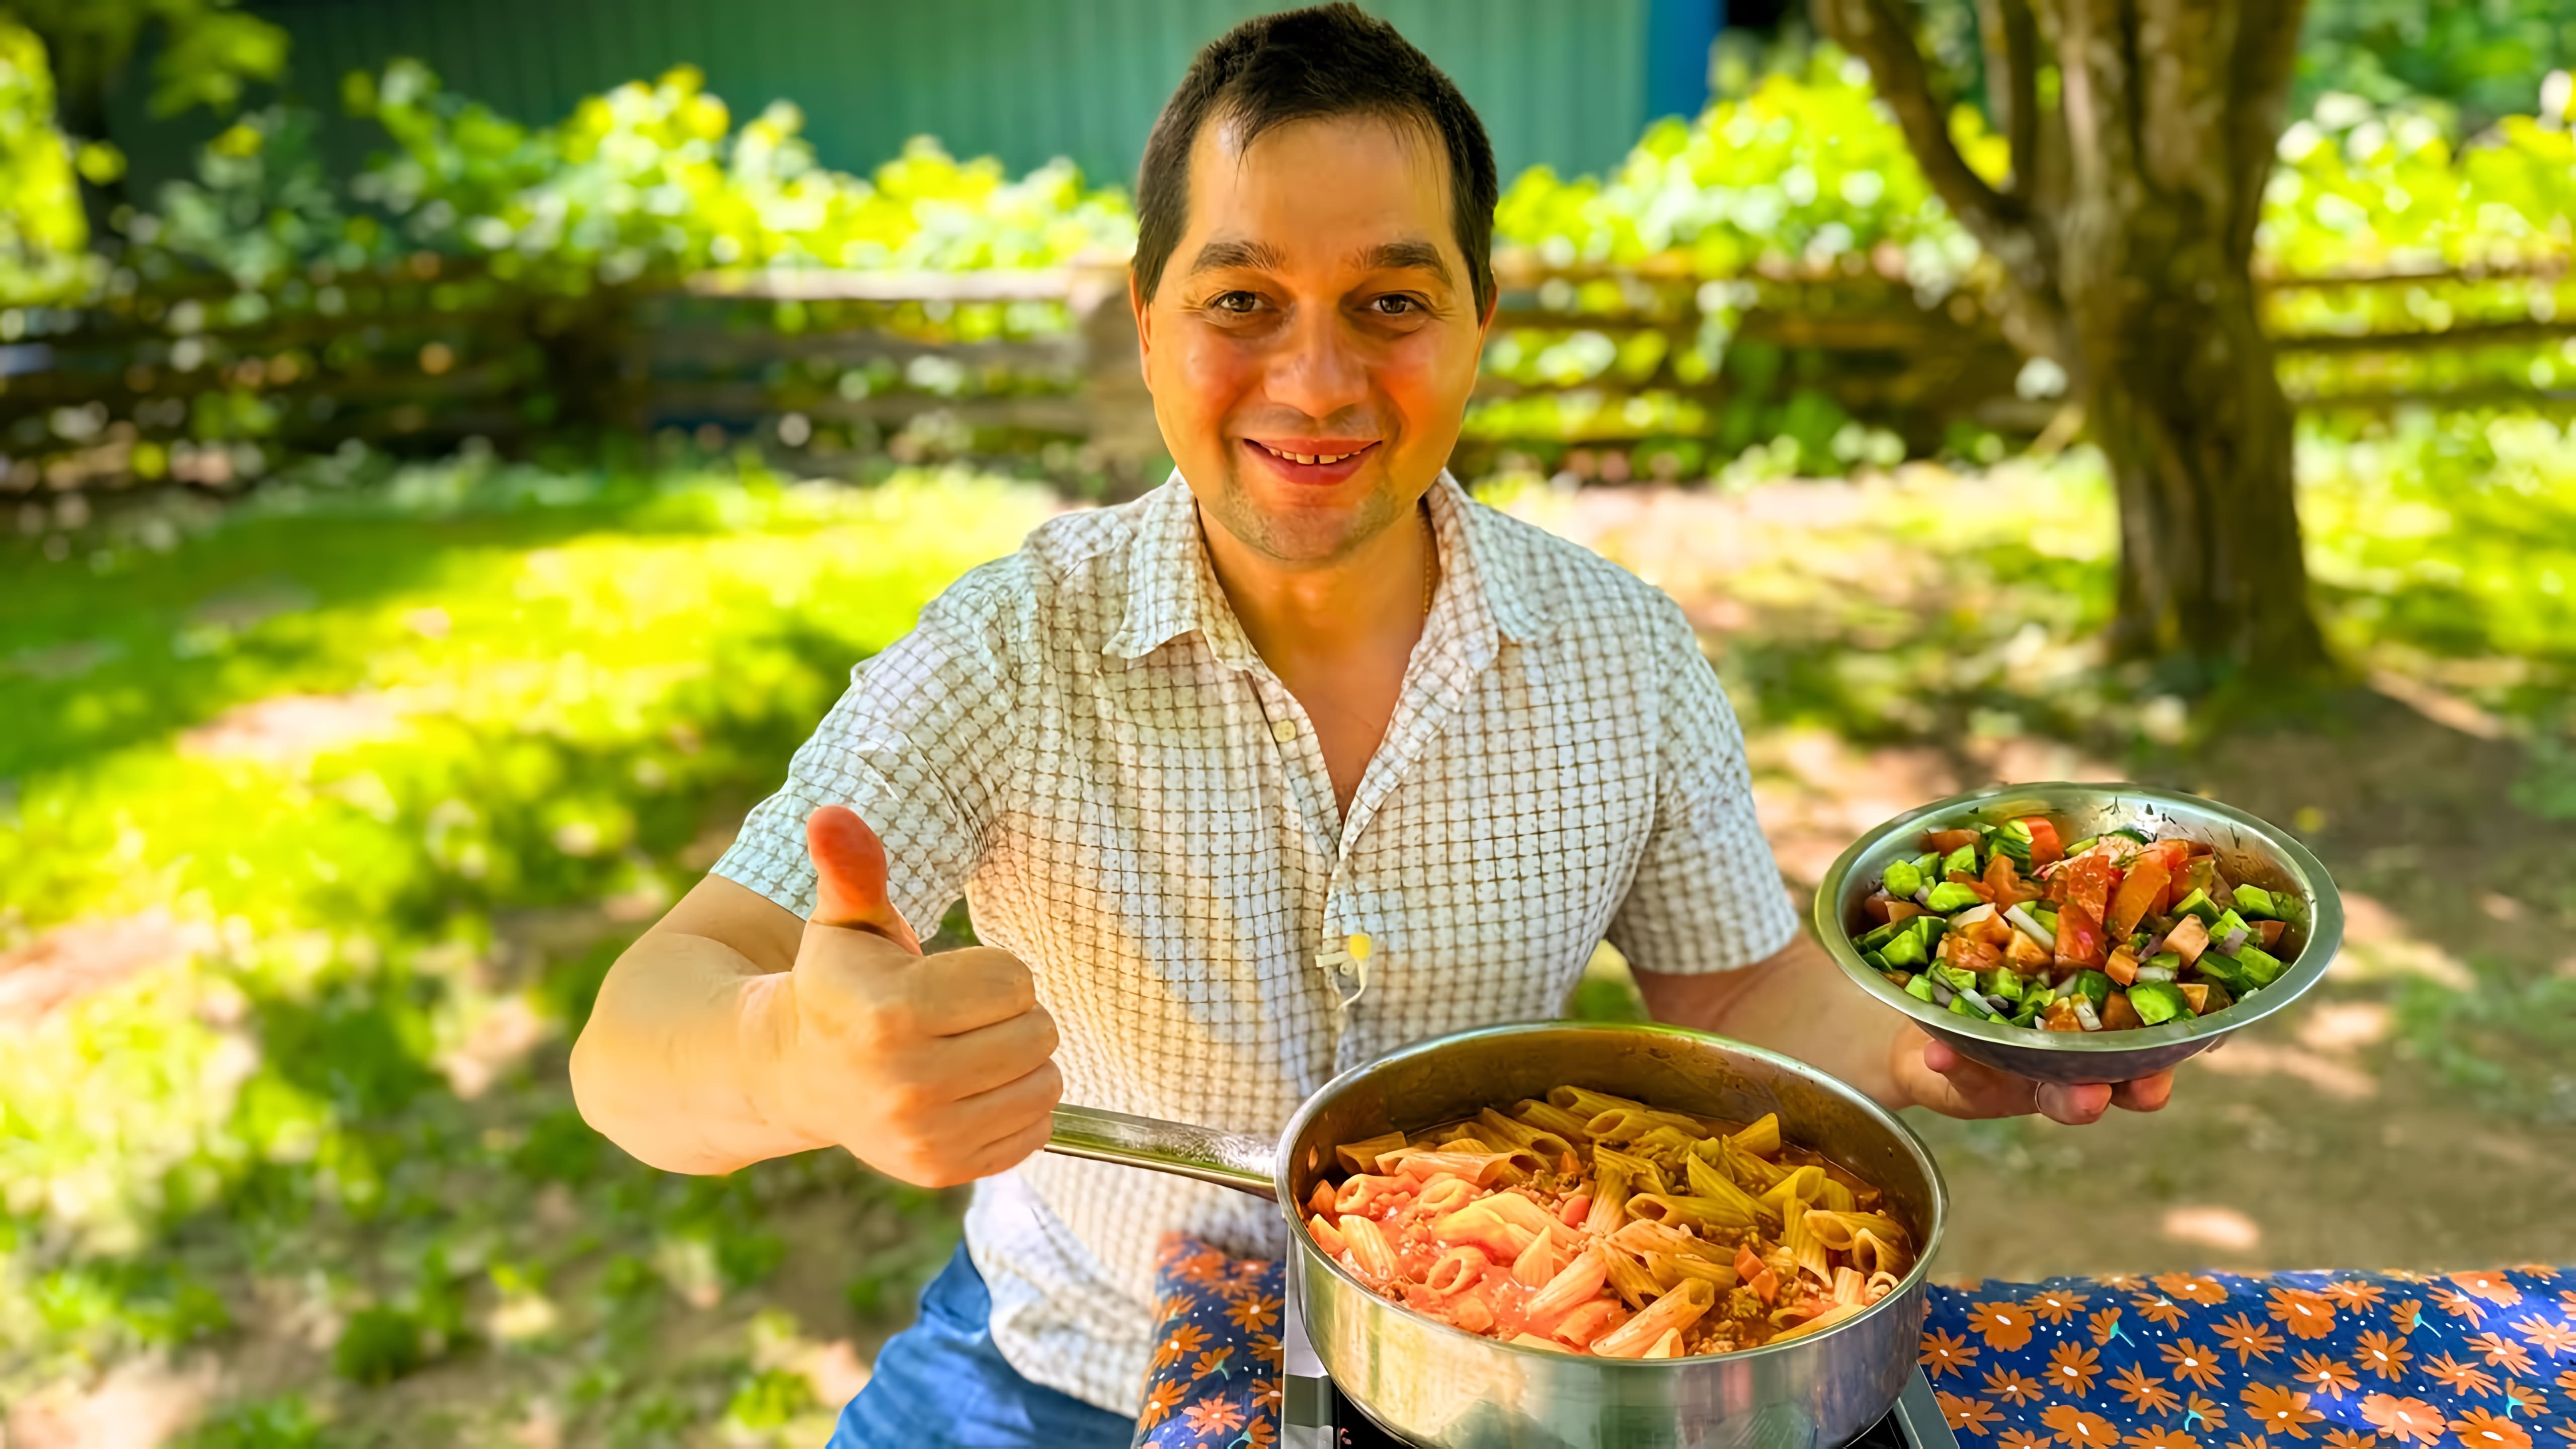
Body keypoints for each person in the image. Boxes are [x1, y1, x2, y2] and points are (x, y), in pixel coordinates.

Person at [568, 6, 2176, 1444]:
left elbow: (1737, 1003)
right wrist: (798, 1060)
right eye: (1244, 298)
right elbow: (635, 1044)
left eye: (1392, 300)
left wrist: (1927, 1039)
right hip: (1060, 1372)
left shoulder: (1625, 656)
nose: (1318, 380)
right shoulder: (1009, 647)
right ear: (1147, 326)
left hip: (1496, 1389)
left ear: (1481, 318)